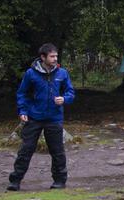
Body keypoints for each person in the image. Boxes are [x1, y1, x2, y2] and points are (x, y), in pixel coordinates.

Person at [7, 43, 76, 191]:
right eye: (52, 56)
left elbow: (71, 92)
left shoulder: (62, 73)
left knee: (57, 151)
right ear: (43, 57)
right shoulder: (31, 74)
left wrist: (64, 99)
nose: (55, 58)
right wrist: (23, 111)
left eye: (56, 56)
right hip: (34, 117)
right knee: (25, 150)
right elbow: (22, 93)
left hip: (54, 118)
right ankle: (15, 181)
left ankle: (59, 181)